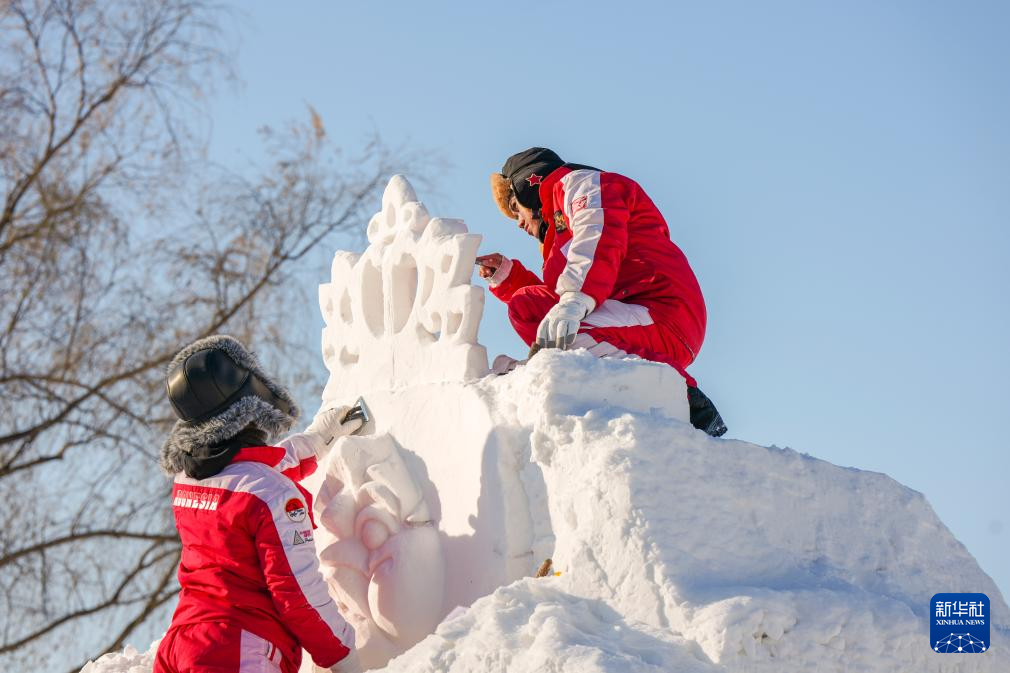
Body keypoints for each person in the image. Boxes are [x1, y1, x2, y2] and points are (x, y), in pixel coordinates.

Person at [478, 147, 726, 436]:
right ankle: (607, 392)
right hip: (625, 315)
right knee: (530, 309)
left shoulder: (581, 185)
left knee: (562, 337)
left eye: (515, 207)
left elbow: (597, 237)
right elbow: (553, 302)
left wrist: (573, 300)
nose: (519, 222)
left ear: (527, 185)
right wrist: (509, 278)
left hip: (661, 310)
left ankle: (687, 401)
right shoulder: (558, 240)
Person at [155, 335, 364, 673]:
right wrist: (345, 657)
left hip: (179, 647)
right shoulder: (272, 496)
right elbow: (299, 596)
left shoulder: (187, 480)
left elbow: (248, 472)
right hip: (236, 651)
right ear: (251, 402)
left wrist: (318, 440)